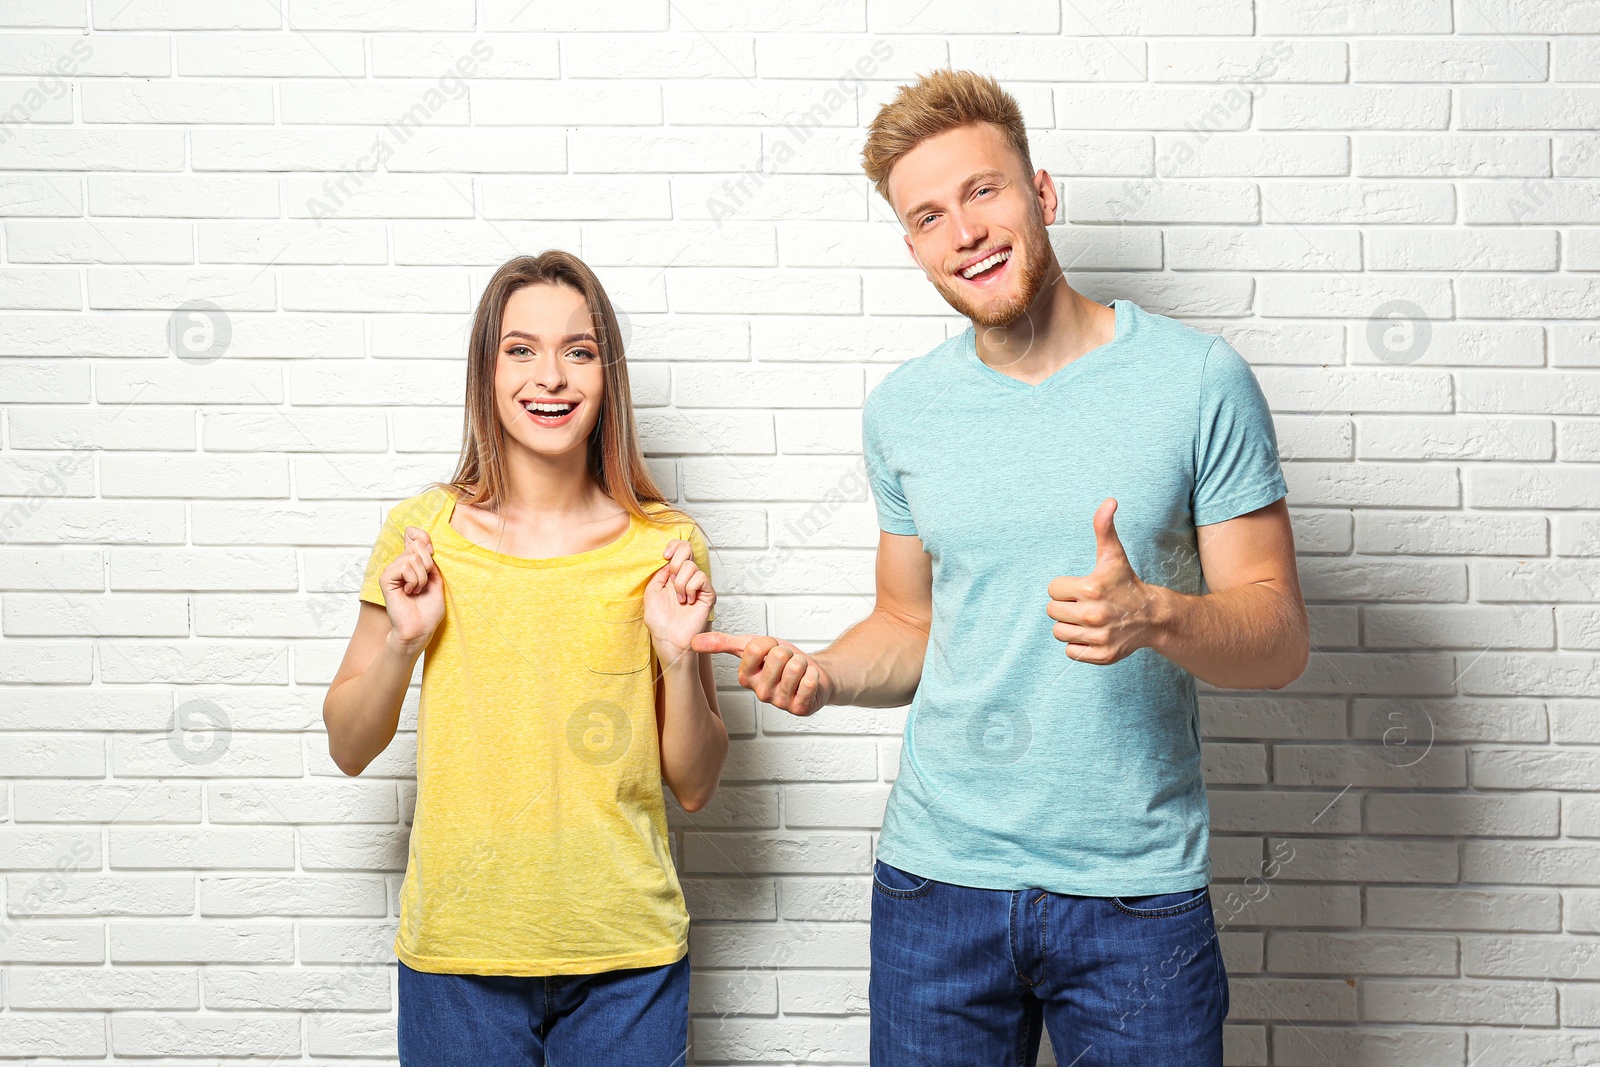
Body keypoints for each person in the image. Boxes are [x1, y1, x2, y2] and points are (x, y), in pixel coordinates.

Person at [692, 70, 1309, 1066]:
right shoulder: (903, 412)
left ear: (1042, 194)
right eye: (929, 215)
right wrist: (824, 672)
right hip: (935, 890)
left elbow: (1277, 637)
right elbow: (905, 624)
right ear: (912, 247)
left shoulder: (1198, 382)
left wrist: (1156, 615)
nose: (964, 231)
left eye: (983, 191)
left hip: (1136, 896)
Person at [323, 251, 726, 1064]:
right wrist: (405, 640)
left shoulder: (666, 544)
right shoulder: (421, 533)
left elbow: (695, 780)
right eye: (521, 349)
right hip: (459, 960)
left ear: (606, 374)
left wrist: (677, 660)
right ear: (486, 369)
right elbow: (349, 744)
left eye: (578, 350)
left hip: (628, 957)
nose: (552, 376)